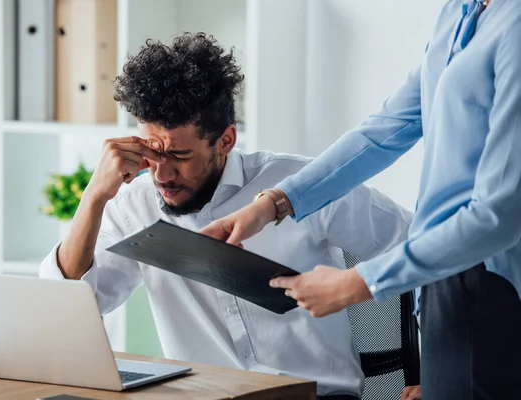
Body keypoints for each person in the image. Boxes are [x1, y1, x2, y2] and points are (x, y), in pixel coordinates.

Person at [39, 33, 414, 399]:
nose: (161, 175)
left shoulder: (303, 184)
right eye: (151, 154)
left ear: (226, 140)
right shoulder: (133, 203)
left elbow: (422, 247)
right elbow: (68, 306)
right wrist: (93, 198)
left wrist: (434, 373)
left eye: (180, 156)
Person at [201, 0, 521, 398]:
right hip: (439, 286)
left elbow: (499, 214)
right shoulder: (458, 11)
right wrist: (273, 203)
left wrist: (358, 282)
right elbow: (384, 130)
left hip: (492, 287)